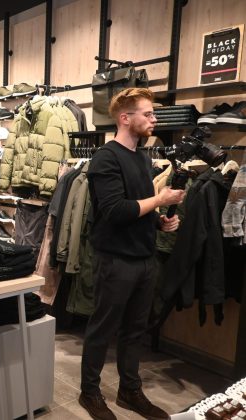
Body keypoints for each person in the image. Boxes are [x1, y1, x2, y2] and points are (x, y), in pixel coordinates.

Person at [79, 88, 185, 420]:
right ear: (125, 118)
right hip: (115, 259)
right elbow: (115, 211)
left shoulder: (142, 158)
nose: (154, 119)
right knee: (102, 328)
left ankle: (129, 390)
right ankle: (89, 392)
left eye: (154, 114)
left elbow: (139, 207)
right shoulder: (105, 158)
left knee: (135, 329)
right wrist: (160, 200)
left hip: (143, 258)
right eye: (148, 114)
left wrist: (159, 221)